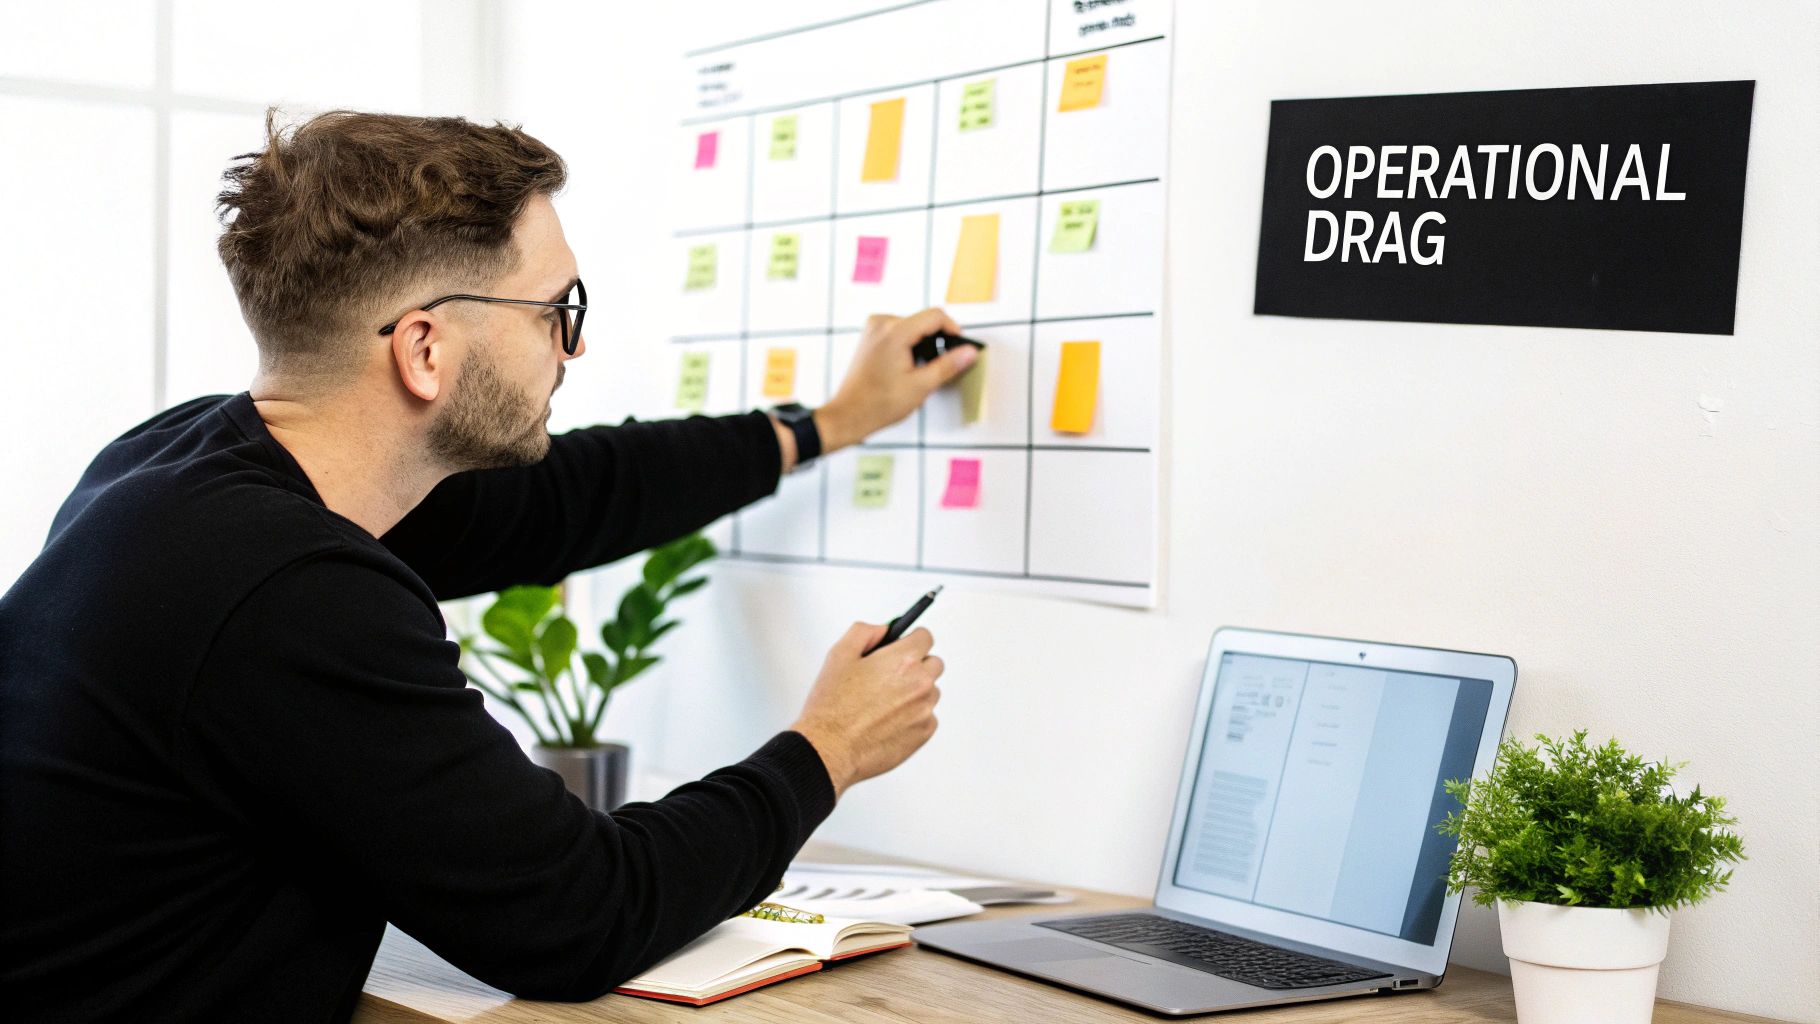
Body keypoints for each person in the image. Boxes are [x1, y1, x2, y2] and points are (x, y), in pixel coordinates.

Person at [0, 110, 979, 1022]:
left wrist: (830, 424)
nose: (575, 343)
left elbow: (569, 496)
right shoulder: (287, 589)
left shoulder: (184, 466)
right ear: (425, 348)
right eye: (556, 308)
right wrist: (827, 747)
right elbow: (576, 915)